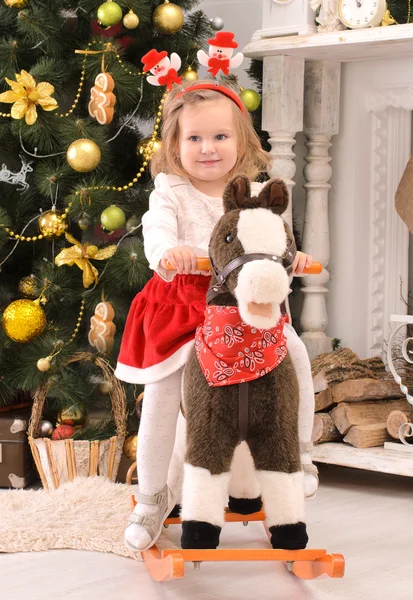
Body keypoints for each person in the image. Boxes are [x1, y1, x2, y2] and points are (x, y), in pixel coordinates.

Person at [115, 79, 318, 552]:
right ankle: (151, 497)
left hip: (243, 308)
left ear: (242, 140)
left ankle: (302, 457)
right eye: (194, 139)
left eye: (220, 137)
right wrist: (170, 252)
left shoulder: (259, 192)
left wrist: (294, 258)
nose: (208, 149)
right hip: (184, 303)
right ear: (174, 144)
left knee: (297, 354)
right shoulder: (170, 191)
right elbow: (157, 234)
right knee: (163, 392)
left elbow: (275, 244)